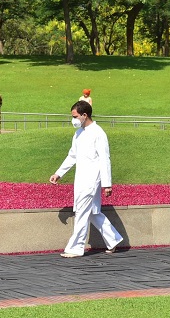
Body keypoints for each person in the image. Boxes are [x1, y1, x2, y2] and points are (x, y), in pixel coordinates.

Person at [49, 100, 123, 258]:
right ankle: (114, 239)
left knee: (82, 212)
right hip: (81, 179)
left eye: (75, 116)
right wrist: (59, 173)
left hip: (92, 180)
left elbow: (105, 159)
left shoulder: (98, 133)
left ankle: (76, 247)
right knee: (93, 213)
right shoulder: (78, 134)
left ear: (85, 115)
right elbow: (72, 156)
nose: (73, 120)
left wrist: (107, 184)